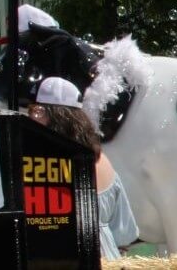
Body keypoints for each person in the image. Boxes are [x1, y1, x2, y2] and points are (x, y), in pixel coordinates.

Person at [27, 77, 138, 260]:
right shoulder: (102, 159)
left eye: (35, 111)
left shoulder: (44, 165)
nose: (30, 117)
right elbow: (124, 233)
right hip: (106, 259)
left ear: (52, 116)